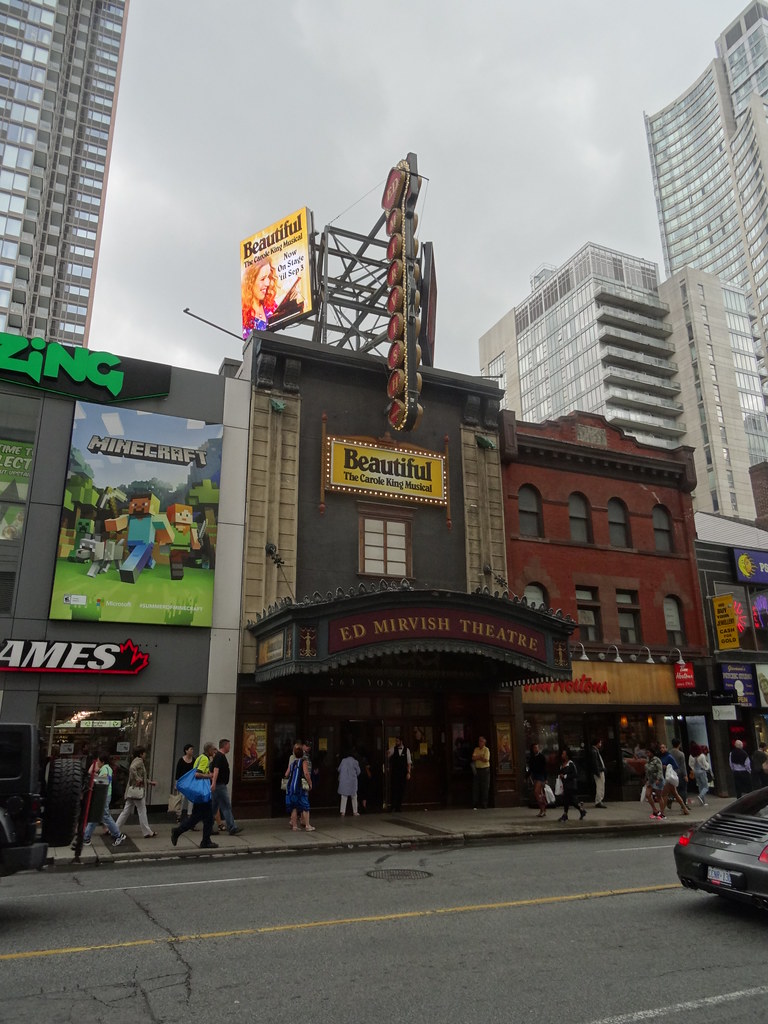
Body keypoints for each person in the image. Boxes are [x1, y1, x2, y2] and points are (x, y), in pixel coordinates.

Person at [73, 750, 126, 848]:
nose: (97, 762)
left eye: (98, 761)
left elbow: (103, 780)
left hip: (104, 794)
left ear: (103, 761)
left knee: (105, 815)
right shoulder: (108, 768)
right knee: (96, 815)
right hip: (105, 794)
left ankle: (118, 835)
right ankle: (86, 838)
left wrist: (94, 778)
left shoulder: (105, 768)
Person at [171, 741, 218, 848]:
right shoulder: (205, 759)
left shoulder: (199, 757)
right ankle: (203, 841)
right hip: (202, 793)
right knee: (207, 818)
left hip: (199, 792)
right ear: (209, 750)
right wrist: (209, 776)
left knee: (199, 818)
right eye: (213, 749)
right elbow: (197, 774)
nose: (215, 751)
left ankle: (204, 840)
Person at [115, 746, 157, 838]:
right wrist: (138, 778)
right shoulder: (139, 761)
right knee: (142, 810)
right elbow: (132, 769)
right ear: (141, 754)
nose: (145, 755)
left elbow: (138, 773)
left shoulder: (135, 760)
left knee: (126, 811)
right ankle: (147, 832)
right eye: (144, 753)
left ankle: (115, 829)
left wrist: (149, 782)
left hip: (132, 790)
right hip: (137, 790)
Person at [211, 739, 242, 836]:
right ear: (224, 746)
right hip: (220, 785)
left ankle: (208, 826)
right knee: (226, 806)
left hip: (218, 785)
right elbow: (216, 770)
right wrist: (214, 783)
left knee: (213, 808)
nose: (229, 747)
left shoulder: (219, 756)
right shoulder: (220, 756)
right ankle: (232, 827)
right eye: (228, 745)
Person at [241, 257, 278, 337]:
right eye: (262, 279)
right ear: (250, 282)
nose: (267, 283)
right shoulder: (243, 317)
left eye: (268, 277)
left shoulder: (271, 305)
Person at [284, 742, 315, 831]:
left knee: (294, 807)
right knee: (305, 806)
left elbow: (286, 774)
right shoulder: (303, 762)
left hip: (291, 787)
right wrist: (310, 783)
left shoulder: (292, 763)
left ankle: (294, 826)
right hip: (300, 787)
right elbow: (306, 773)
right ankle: (307, 826)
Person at [659, 743, 690, 816]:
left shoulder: (669, 756)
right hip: (665, 777)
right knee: (675, 794)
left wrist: (667, 767)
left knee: (664, 794)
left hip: (669, 778)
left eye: (663, 747)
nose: (662, 749)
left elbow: (676, 766)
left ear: (666, 748)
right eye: (661, 748)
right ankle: (684, 808)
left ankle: (662, 812)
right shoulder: (661, 757)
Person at [557, 748, 586, 822]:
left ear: (567, 756)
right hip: (565, 785)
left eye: (563, 754)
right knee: (571, 800)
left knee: (567, 800)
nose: (562, 755)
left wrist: (565, 776)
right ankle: (581, 810)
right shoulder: (562, 764)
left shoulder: (571, 764)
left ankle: (565, 815)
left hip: (570, 785)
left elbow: (575, 774)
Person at [174, 743, 195, 824]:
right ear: (186, 751)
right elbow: (178, 772)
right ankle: (179, 816)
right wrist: (176, 784)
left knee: (191, 800)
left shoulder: (194, 760)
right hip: (182, 783)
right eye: (191, 749)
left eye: (192, 749)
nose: (192, 751)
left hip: (191, 783)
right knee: (181, 799)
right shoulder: (181, 760)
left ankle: (189, 815)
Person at [388, 736, 411, 812]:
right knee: (394, 789)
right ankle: (392, 806)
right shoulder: (393, 749)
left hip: (403, 773)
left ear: (401, 741)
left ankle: (399, 806)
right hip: (395, 773)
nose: (396, 743)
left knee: (401, 790)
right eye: (396, 741)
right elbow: (387, 754)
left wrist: (408, 772)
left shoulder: (407, 750)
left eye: (397, 741)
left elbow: (409, 763)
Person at [643, 746, 665, 819]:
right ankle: (655, 810)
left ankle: (662, 813)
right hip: (650, 780)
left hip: (657, 779)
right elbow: (647, 771)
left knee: (659, 796)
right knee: (648, 795)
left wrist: (658, 779)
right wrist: (646, 779)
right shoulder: (648, 760)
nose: (647, 754)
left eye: (649, 752)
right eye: (647, 752)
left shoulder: (656, 760)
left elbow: (660, 770)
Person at [528, 742, 548, 818]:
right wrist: (526, 776)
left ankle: (543, 808)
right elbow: (531, 768)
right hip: (535, 776)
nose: (536, 749)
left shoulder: (541, 757)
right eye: (535, 748)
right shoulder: (532, 757)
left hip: (541, 776)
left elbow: (545, 768)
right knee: (539, 794)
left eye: (537, 747)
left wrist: (545, 778)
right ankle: (542, 809)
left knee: (536, 792)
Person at [338, 751, 361, 816]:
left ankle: (343, 812)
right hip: (352, 781)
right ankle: (355, 811)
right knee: (354, 796)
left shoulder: (343, 761)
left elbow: (339, 769)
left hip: (344, 781)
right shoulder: (355, 762)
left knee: (344, 796)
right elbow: (358, 771)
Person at [471, 735, 491, 809]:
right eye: (479, 741)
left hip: (485, 770)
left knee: (485, 787)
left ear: (484, 742)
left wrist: (478, 757)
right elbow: (473, 758)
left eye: (481, 741)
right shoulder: (476, 749)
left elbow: (486, 759)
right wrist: (480, 757)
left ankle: (484, 803)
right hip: (477, 770)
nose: (480, 742)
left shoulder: (486, 750)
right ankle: (475, 804)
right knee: (476, 787)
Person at [669, 738, 689, 809]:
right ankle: (683, 805)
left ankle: (671, 798)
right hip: (679, 773)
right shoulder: (681, 754)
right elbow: (683, 766)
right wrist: (685, 775)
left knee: (674, 788)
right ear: (679, 744)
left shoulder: (669, 753)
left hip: (671, 773)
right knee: (683, 789)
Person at [591, 738, 607, 808]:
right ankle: (598, 801)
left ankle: (599, 800)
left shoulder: (595, 751)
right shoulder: (594, 751)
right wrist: (598, 771)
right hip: (599, 772)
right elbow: (595, 763)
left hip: (600, 771)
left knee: (601, 785)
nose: (600, 744)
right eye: (600, 743)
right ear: (597, 743)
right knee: (600, 786)